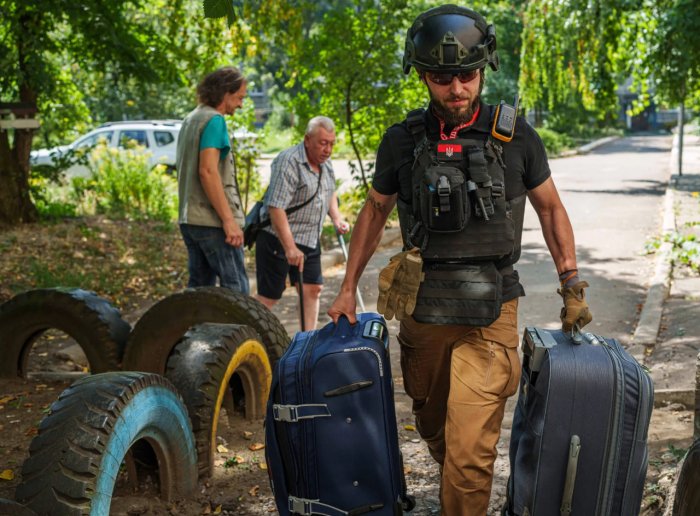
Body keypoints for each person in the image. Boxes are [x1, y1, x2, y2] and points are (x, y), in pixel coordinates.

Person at [328, 5, 592, 514]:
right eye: (442, 78)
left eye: (466, 75)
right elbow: (374, 211)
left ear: (483, 69)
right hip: (423, 310)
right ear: (423, 76)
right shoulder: (402, 142)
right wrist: (345, 289)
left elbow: (552, 210)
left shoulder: (515, 137)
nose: (456, 89)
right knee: (434, 425)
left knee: (470, 454)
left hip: (491, 310)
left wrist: (572, 286)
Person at [255, 116, 348, 331]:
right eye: (323, 143)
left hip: (308, 237)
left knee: (313, 288)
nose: (328, 149)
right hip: (277, 238)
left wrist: (336, 217)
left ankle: (307, 342)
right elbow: (275, 207)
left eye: (332, 144)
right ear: (307, 139)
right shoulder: (289, 161)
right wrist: (290, 248)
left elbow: (328, 191)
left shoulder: (326, 162)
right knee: (269, 297)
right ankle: (245, 336)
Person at [176, 66, 249, 294]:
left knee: (200, 292)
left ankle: (192, 330)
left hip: (190, 221)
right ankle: (238, 332)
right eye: (239, 98)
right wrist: (229, 221)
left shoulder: (192, 118)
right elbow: (207, 171)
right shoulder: (215, 120)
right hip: (213, 222)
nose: (240, 105)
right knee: (236, 293)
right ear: (225, 92)